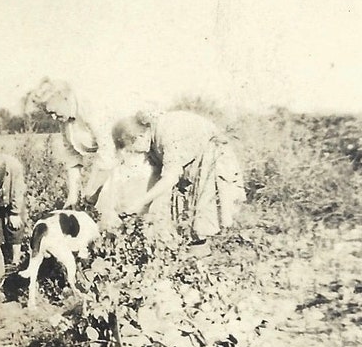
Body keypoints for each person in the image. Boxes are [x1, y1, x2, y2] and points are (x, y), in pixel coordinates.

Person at [111, 110, 246, 252]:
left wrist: (140, 202)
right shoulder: (151, 139)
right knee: (185, 221)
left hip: (211, 159)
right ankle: (192, 260)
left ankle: (199, 264)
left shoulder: (167, 134)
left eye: (131, 149)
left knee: (199, 222)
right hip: (194, 164)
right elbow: (156, 177)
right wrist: (141, 209)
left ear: (139, 137)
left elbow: (170, 178)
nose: (135, 153)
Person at [25, 78, 118, 224]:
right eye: (49, 114)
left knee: (111, 211)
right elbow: (72, 155)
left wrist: (91, 191)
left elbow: (108, 153)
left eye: (53, 112)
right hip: (107, 163)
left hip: (122, 160)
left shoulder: (91, 108)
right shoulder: (64, 118)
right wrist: (73, 196)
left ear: (65, 98)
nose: (53, 118)